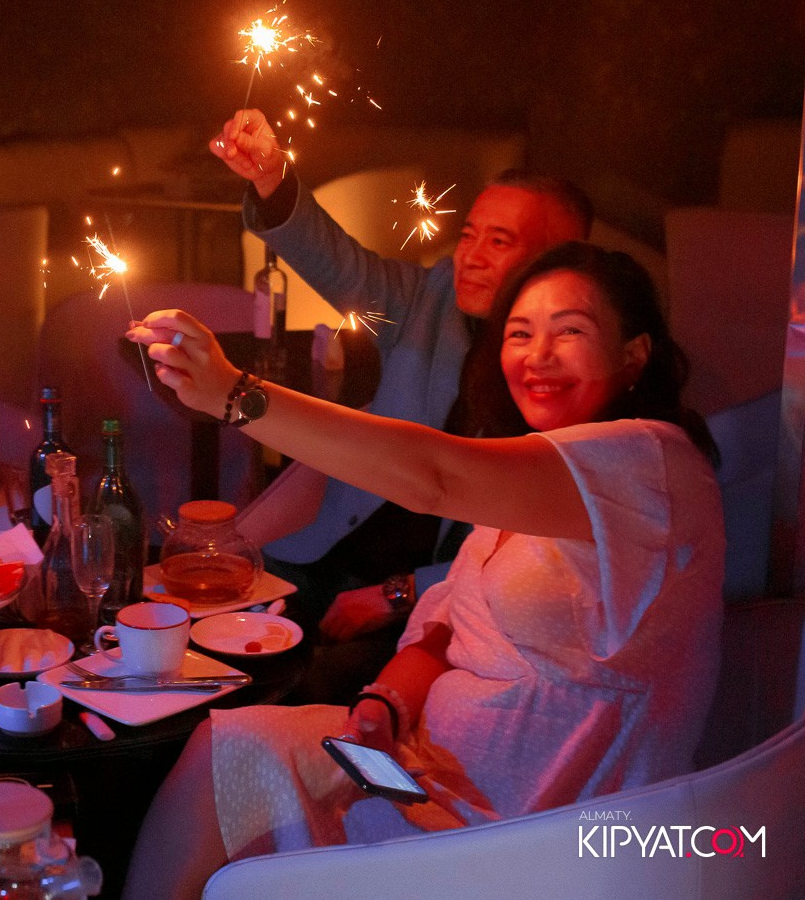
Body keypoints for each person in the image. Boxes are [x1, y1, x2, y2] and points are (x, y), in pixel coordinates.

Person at [120, 242, 723, 898]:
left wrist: (239, 395)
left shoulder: (651, 464)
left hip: (522, 833)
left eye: (570, 331)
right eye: (520, 333)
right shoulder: (526, 473)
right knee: (223, 746)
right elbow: (447, 626)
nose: (538, 355)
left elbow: (434, 475)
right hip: (418, 773)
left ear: (634, 354)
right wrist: (384, 703)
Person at [212, 109, 593, 663]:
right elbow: (340, 266)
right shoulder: (429, 299)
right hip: (326, 557)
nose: (470, 258)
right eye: (469, 235)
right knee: (200, 636)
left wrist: (401, 593)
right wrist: (273, 180)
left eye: (499, 242)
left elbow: (533, 555)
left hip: (436, 610)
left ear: (558, 262)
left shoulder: (567, 380)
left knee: (308, 680)